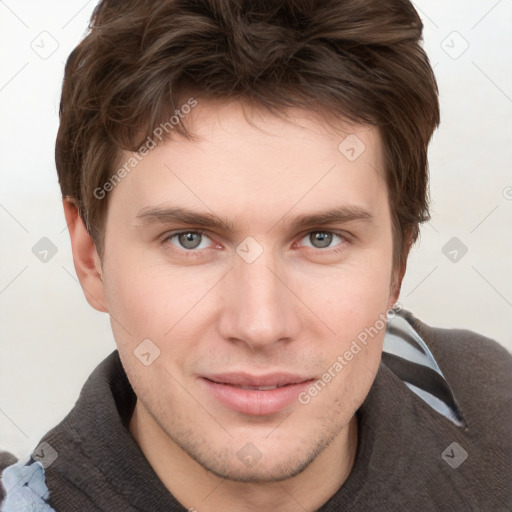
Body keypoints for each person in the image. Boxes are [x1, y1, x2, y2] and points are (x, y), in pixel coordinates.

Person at [1, 0, 511, 510]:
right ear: (91, 257)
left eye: (321, 238)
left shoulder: (485, 400)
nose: (260, 326)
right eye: (190, 239)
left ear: (398, 262)